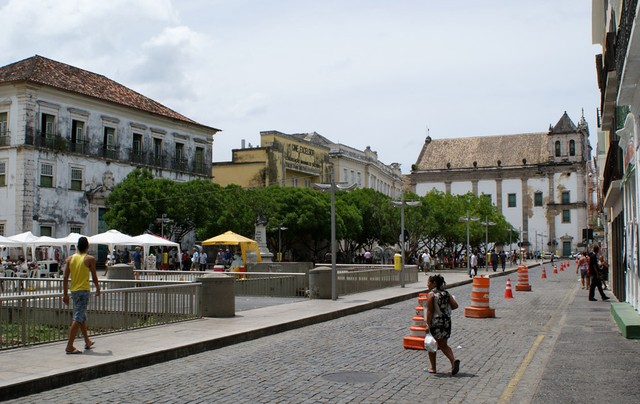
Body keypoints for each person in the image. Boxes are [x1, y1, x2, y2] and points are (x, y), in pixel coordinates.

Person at [62, 236, 100, 354]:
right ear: (87, 246)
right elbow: (94, 276)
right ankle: (69, 345)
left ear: (77, 247)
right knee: (78, 317)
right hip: (83, 290)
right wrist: (98, 288)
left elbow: (65, 277)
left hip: (74, 291)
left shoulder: (70, 259)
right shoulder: (90, 259)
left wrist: (65, 294)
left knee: (81, 316)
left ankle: (87, 341)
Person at [424, 274, 460, 375]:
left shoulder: (431, 295)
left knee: (431, 344)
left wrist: (428, 324)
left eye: (429, 282)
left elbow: (430, 311)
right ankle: (453, 361)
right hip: (447, 322)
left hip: (436, 322)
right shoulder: (446, 293)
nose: (427, 284)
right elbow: (455, 306)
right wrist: (445, 307)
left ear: (434, 283)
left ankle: (433, 367)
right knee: (443, 344)